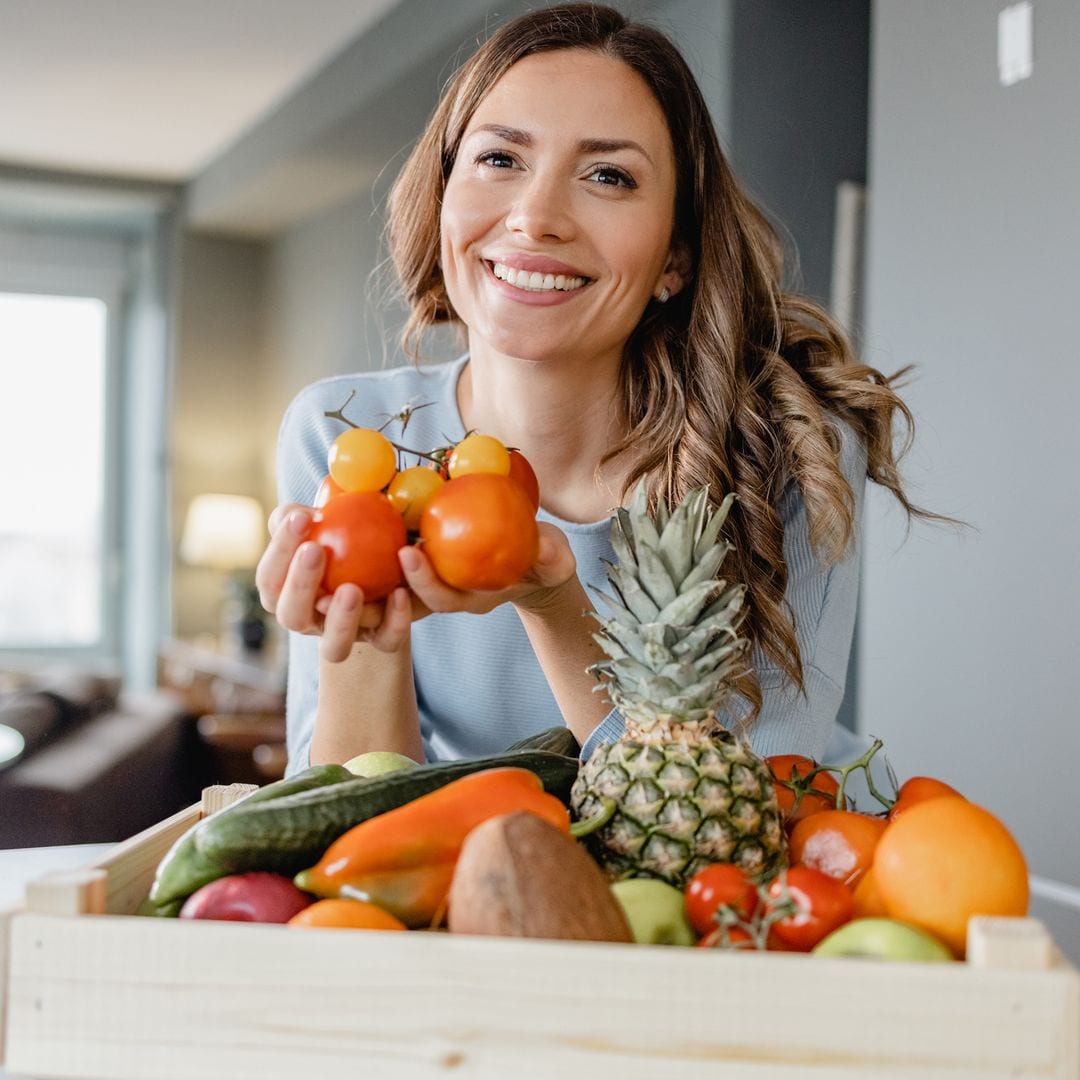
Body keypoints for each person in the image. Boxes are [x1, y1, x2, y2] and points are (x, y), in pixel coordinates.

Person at [257, 3, 926, 777]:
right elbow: (353, 824)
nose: (535, 218)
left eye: (608, 175)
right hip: (482, 868)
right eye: (500, 159)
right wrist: (364, 625)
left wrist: (552, 602)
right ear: (443, 193)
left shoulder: (787, 450)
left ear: (675, 256)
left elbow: (757, 809)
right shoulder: (349, 438)